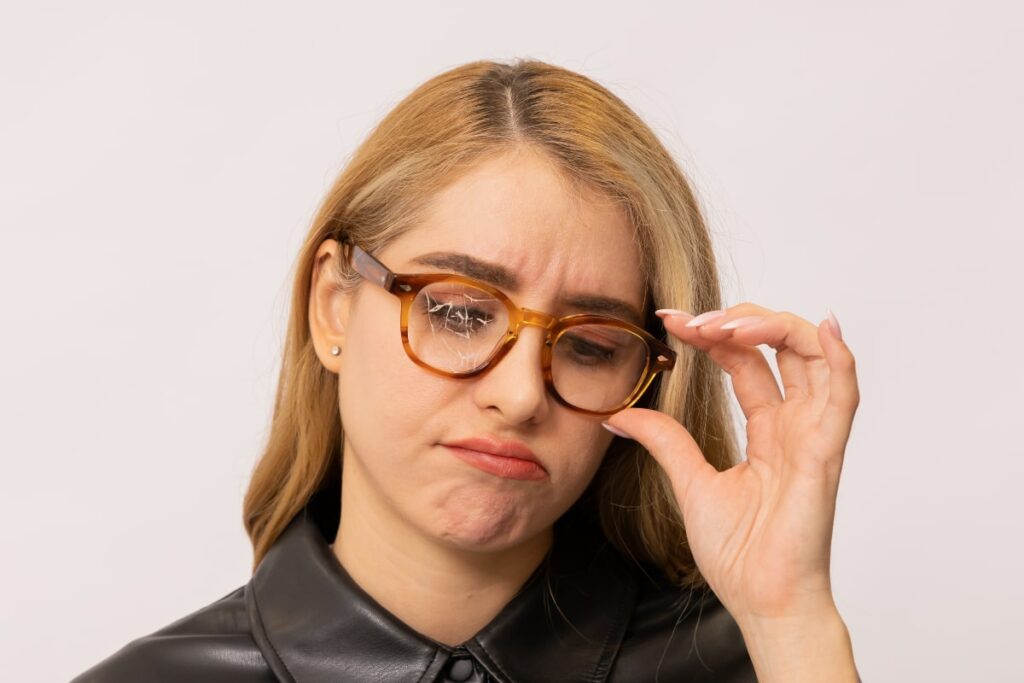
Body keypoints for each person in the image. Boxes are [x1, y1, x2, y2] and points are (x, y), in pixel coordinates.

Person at [71, 58, 861, 682]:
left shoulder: (760, 661)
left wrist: (791, 620)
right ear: (333, 306)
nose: (519, 396)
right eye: (458, 312)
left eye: (588, 345)